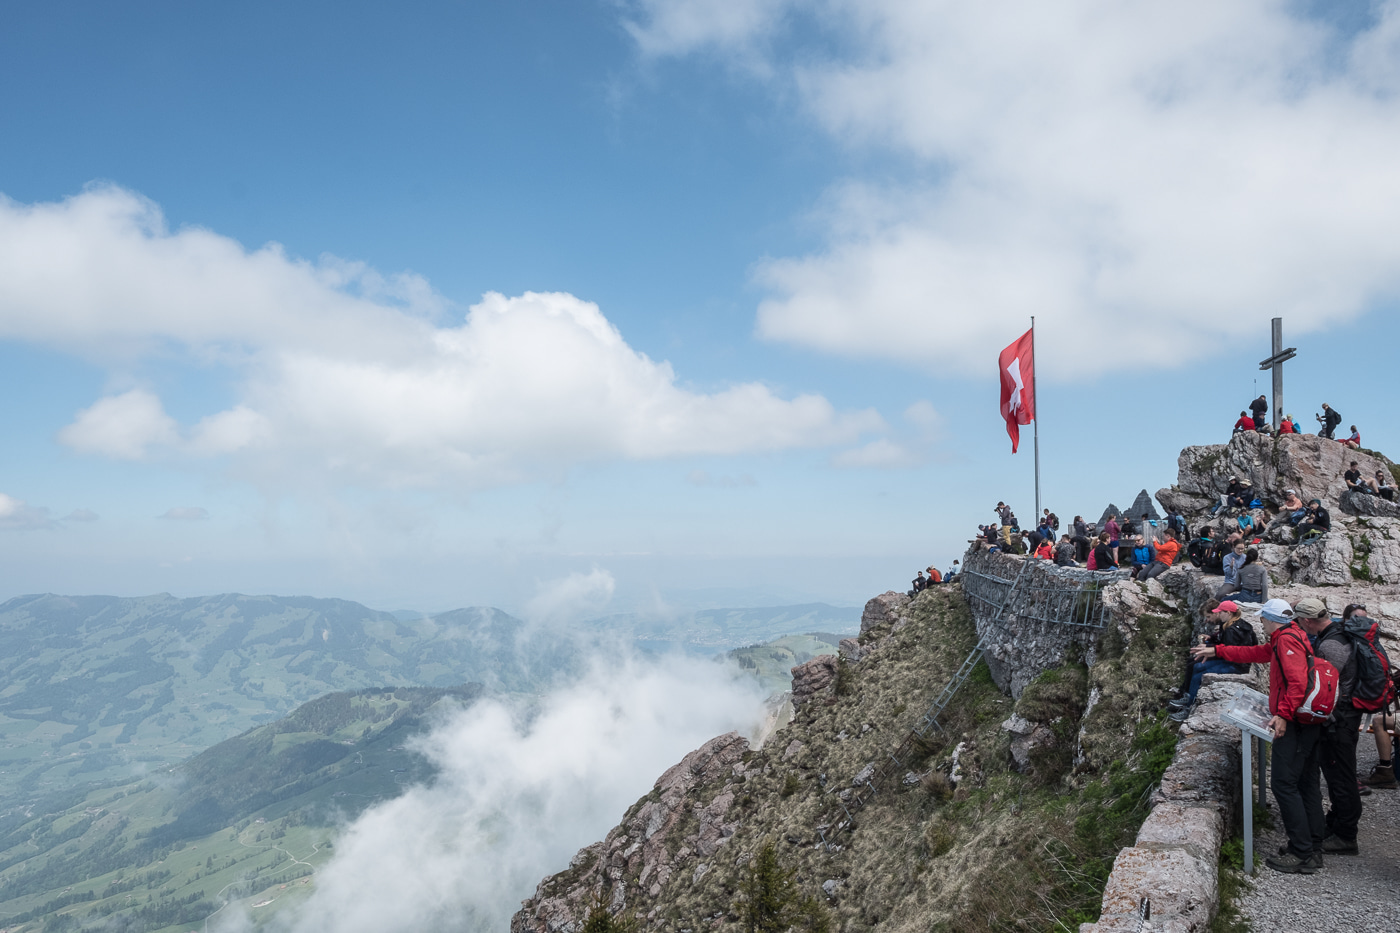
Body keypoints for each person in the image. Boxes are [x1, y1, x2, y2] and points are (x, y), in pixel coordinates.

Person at [1195, 597, 1325, 873]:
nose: (1261, 623)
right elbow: (1255, 653)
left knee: (1283, 784)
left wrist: (1284, 715)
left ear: (1271, 619)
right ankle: (1312, 846)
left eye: (1263, 619)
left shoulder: (1286, 640)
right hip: (1306, 724)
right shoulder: (1290, 635)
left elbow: (1298, 683)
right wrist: (1217, 651)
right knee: (1305, 783)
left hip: (1294, 725)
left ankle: (1303, 853)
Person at [1305, 602, 1362, 855]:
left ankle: (1346, 835)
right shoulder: (1338, 634)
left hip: (1339, 721)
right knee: (1339, 774)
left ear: (1307, 621)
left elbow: (1325, 686)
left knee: (1341, 778)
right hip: (1346, 717)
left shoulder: (1331, 645)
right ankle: (1336, 823)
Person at [1168, 599, 1260, 721]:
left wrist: (1210, 649)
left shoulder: (1232, 630)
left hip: (1236, 665)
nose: (1218, 614)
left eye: (1220, 612)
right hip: (1235, 662)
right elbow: (1254, 642)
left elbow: (1228, 652)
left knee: (1199, 675)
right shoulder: (1234, 624)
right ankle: (1188, 697)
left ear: (1228, 613)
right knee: (1197, 666)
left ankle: (1188, 707)